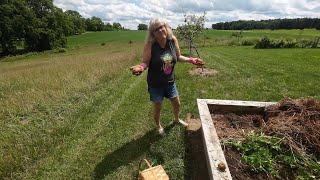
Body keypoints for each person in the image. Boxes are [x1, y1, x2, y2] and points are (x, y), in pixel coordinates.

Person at [130, 18, 204, 136]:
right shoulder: (150, 45)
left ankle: (176, 119)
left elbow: (178, 57)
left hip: (170, 81)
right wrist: (141, 67)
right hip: (156, 84)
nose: (159, 30)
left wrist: (191, 60)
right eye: (155, 30)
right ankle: (158, 126)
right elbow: (145, 62)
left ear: (166, 27)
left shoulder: (172, 40)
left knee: (177, 103)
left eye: (161, 27)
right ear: (152, 33)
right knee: (158, 107)